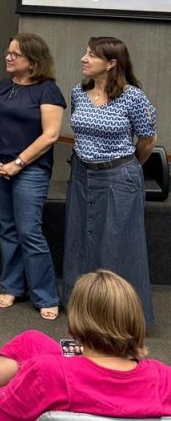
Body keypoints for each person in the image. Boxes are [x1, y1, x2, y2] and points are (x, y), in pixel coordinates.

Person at [0, 269, 171, 421]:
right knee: (33, 341)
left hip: (58, 379)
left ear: (77, 323)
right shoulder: (163, 377)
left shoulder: (49, 372)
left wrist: (15, 383)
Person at [65, 36, 157, 326]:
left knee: (117, 245)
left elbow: (147, 140)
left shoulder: (133, 97)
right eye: (86, 53)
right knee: (80, 239)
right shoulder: (78, 92)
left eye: (91, 55)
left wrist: (126, 167)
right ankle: (84, 309)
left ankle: (120, 316)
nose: (84, 59)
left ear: (111, 63)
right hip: (81, 174)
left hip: (118, 176)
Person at [0, 33, 65, 320]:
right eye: (8, 52)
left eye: (15, 54)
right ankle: (12, 286)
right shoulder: (1, 87)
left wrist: (18, 162)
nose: (8, 57)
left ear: (33, 61)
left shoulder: (47, 91)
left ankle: (46, 295)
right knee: (8, 228)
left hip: (30, 170)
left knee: (29, 231)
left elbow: (50, 135)